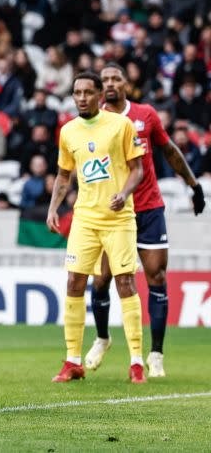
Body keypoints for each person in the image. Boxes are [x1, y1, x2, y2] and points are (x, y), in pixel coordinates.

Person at [86, 63, 205, 377]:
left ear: (126, 82)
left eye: (115, 78)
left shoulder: (146, 115)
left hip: (148, 208)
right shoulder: (92, 122)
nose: (110, 83)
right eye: (105, 79)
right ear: (100, 88)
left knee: (156, 278)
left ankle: (155, 355)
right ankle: (102, 338)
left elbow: (170, 151)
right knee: (100, 280)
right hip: (112, 212)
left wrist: (193, 186)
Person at [47, 72, 146, 383]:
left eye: (88, 92)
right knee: (74, 283)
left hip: (119, 218)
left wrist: (124, 193)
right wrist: (53, 208)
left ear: (100, 94)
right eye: (77, 92)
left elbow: (138, 169)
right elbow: (64, 176)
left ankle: (136, 362)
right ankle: (73, 360)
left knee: (125, 283)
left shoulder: (121, 125)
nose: (82, 97)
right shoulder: (68, 131)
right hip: (85, 218)